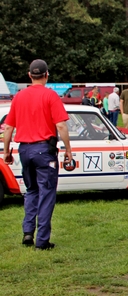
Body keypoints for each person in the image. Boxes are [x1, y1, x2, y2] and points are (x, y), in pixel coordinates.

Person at [2, 59, 72, 250]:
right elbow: (61, 125)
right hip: (44, 150)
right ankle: (42, 240)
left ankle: (27, 232)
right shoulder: (51, 96)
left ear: (29, 75)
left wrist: (7, 151)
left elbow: (8, 127)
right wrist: (68, 150)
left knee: (31, 190)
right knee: (47, 193)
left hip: (24, 149)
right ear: (47, 75)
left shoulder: (19, 97)